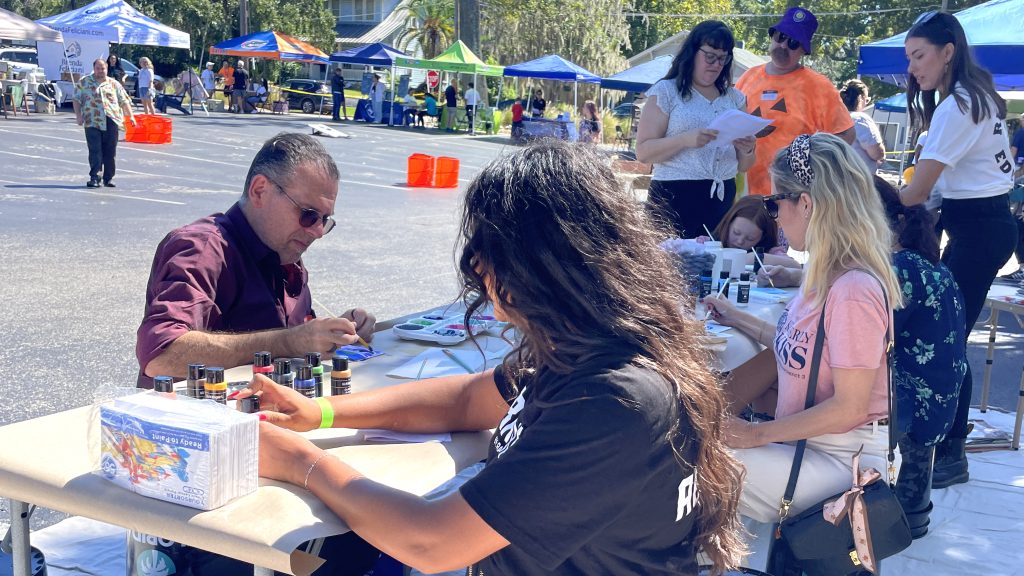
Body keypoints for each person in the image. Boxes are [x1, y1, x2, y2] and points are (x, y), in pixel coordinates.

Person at [243, 140, 746, 575]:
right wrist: (322, 413)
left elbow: (432, 541)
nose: (477, 266)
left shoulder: (616, 398)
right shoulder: (584, 343)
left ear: (539, 264)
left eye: (485, 250)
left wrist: (300, 461)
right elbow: (465, 401)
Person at [705, 133, 901, 529]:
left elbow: (851, 407)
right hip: (812, 447)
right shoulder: (825, 276)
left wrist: (754, 434)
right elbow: (792, 352)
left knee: (686, 465)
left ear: (806, 204)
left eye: (775, 201)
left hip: (841, 462)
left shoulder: (852, 291)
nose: (773, 214)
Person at [136, 132, 376, 387]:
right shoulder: (204, 248)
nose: (317, 231)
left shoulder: (282, 248)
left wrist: (333, 333)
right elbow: (160, 353)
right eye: (308, 215)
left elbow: (292, 334)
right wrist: (289, 342)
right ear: (260, 190)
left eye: (324, 220)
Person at [897, 10, 1018, 488]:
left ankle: (948, 451)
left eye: (919, 56)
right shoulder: (976, 97)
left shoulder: (957, 105)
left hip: (978, 228)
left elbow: (915, 191)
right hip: (982, 225)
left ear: (948, 53)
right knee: (949, 335)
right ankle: (948, 446)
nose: (913, 69)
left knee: (946, 340)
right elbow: (934, 189)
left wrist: (866, 194)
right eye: (909, 58)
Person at [875, 175, 967, 538]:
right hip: (938, 401)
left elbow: (859, 337)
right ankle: (911, 508)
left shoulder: (899, 270)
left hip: (914, 405)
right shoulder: (920, 264)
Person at [636, 20, 756, 238]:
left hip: (721, 198)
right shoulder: (666, 91)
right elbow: (643, 152)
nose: (716, 64)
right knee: (666, 268)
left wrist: (747, 149)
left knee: (715, 268)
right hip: (673, 197)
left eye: (723, 58)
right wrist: (684, 140)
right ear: (692, 52)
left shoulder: (735, 98)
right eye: (710, 56)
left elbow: (744, 166)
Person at [735, 7, 855, 196]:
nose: (783, 46)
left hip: (793, 196)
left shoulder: (819, 86)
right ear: (772, 36)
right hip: (746, 192)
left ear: (803, 50)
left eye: (793, 43)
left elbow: (845, 135)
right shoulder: (749, 77)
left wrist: (812, 170)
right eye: (780, 37)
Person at [73, 59, 135, 188]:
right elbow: (76, 99)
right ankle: (95, 177)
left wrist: (131, 117)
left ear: (107, 69)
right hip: (92, 120)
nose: (100, 71)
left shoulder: (114, 84)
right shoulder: (84, 82)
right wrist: (78, 116)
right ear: (94, 68)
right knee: (95, 150)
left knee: (110, 151)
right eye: (98, 68)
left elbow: (124, 101)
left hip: (111, 119)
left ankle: (108, 178)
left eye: (103, 68)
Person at [841, 79, 886, 173]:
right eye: (867, 100)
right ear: (861, 98)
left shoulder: (830, 118)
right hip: (857, 179)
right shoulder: (860, 119)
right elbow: (877, 153)